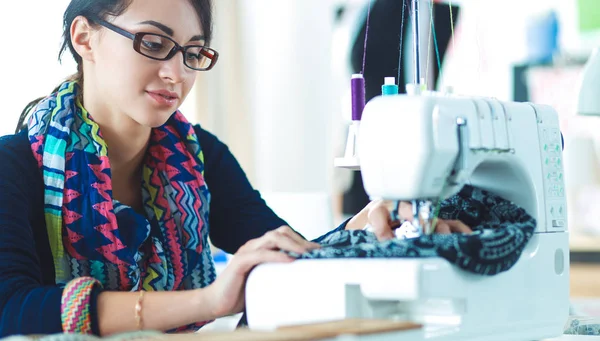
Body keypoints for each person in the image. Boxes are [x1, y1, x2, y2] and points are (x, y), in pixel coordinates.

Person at [0, 0, 471, 337]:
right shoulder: (14, 166)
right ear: (85, 38)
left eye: (191, 52)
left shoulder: (199, 158)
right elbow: (12, 308)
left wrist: (362, 226)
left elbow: (281, 251)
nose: (177, 74)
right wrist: (207, 301)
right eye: (153, 42)